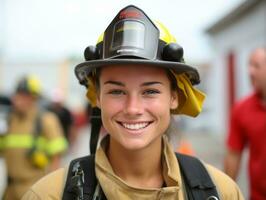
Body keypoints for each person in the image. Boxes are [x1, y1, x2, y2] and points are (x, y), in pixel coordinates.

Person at [22, 5, 243, 200]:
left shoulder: (221, 193)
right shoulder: (47, 195)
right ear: (97, 97)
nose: (133, 109)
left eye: (150, 91)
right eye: (117, 91)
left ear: (174, 97)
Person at [0, 76, 68, 200]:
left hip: (33, 187)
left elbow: (56, 157)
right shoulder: (11, 120)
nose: (18, 100)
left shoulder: (46, 120)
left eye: (24, 95)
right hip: (10, 188)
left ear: (34, 98)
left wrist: (50, 189)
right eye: (18, 95)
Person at [224, 47, 266, 200]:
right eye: (249, 65)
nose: (250, 71)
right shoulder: (241, 109)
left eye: (256, 66)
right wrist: (225, 193)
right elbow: (233, 155)